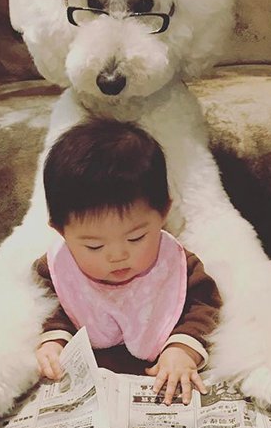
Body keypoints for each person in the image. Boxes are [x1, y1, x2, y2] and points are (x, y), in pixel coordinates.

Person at [33, 118, 221, 405]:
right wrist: (54, 340)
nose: (117, 255)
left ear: (163, 213)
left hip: (156, 376)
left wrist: (183, 349)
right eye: (94, 246)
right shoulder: (56, 269)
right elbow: (49, 306)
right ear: (60, 231)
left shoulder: (178, 265)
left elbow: (205, 306)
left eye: (136, 238)